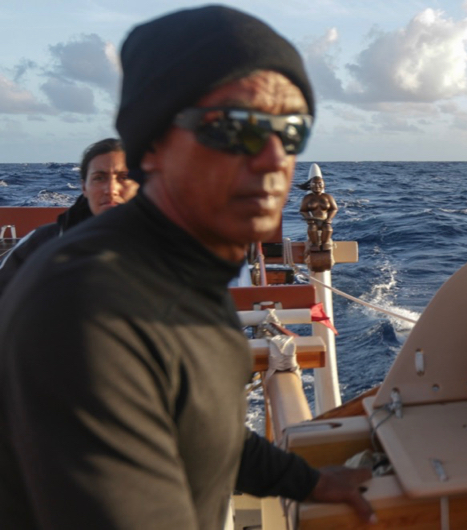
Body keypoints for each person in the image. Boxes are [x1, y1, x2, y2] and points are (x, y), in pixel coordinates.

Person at [0, 6, 374, 529]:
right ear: (153, 146)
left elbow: (200, 430)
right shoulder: (86, 308)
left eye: (290, 131)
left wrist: (309, 482)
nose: (272, 158)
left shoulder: (181, 272)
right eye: (236, 128)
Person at [0, 138, 136, 297]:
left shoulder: (166, 246)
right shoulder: (41, 243)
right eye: (99, 177)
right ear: (84, 187)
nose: (111, 189)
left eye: (124, 177)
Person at [298, 165, 338, 251]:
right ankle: (314, 244)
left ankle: (325, 244)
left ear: (324, 185)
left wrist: (329, 218)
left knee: (328, 229)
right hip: (313, 221)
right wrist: (308, 218)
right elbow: (302, 210)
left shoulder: (328, 197)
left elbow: (334, 209)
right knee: (312, 229)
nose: (317, 186)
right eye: (314, 184)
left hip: (324, 221)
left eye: (320, 184)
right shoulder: (307, 198)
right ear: (310, 186)